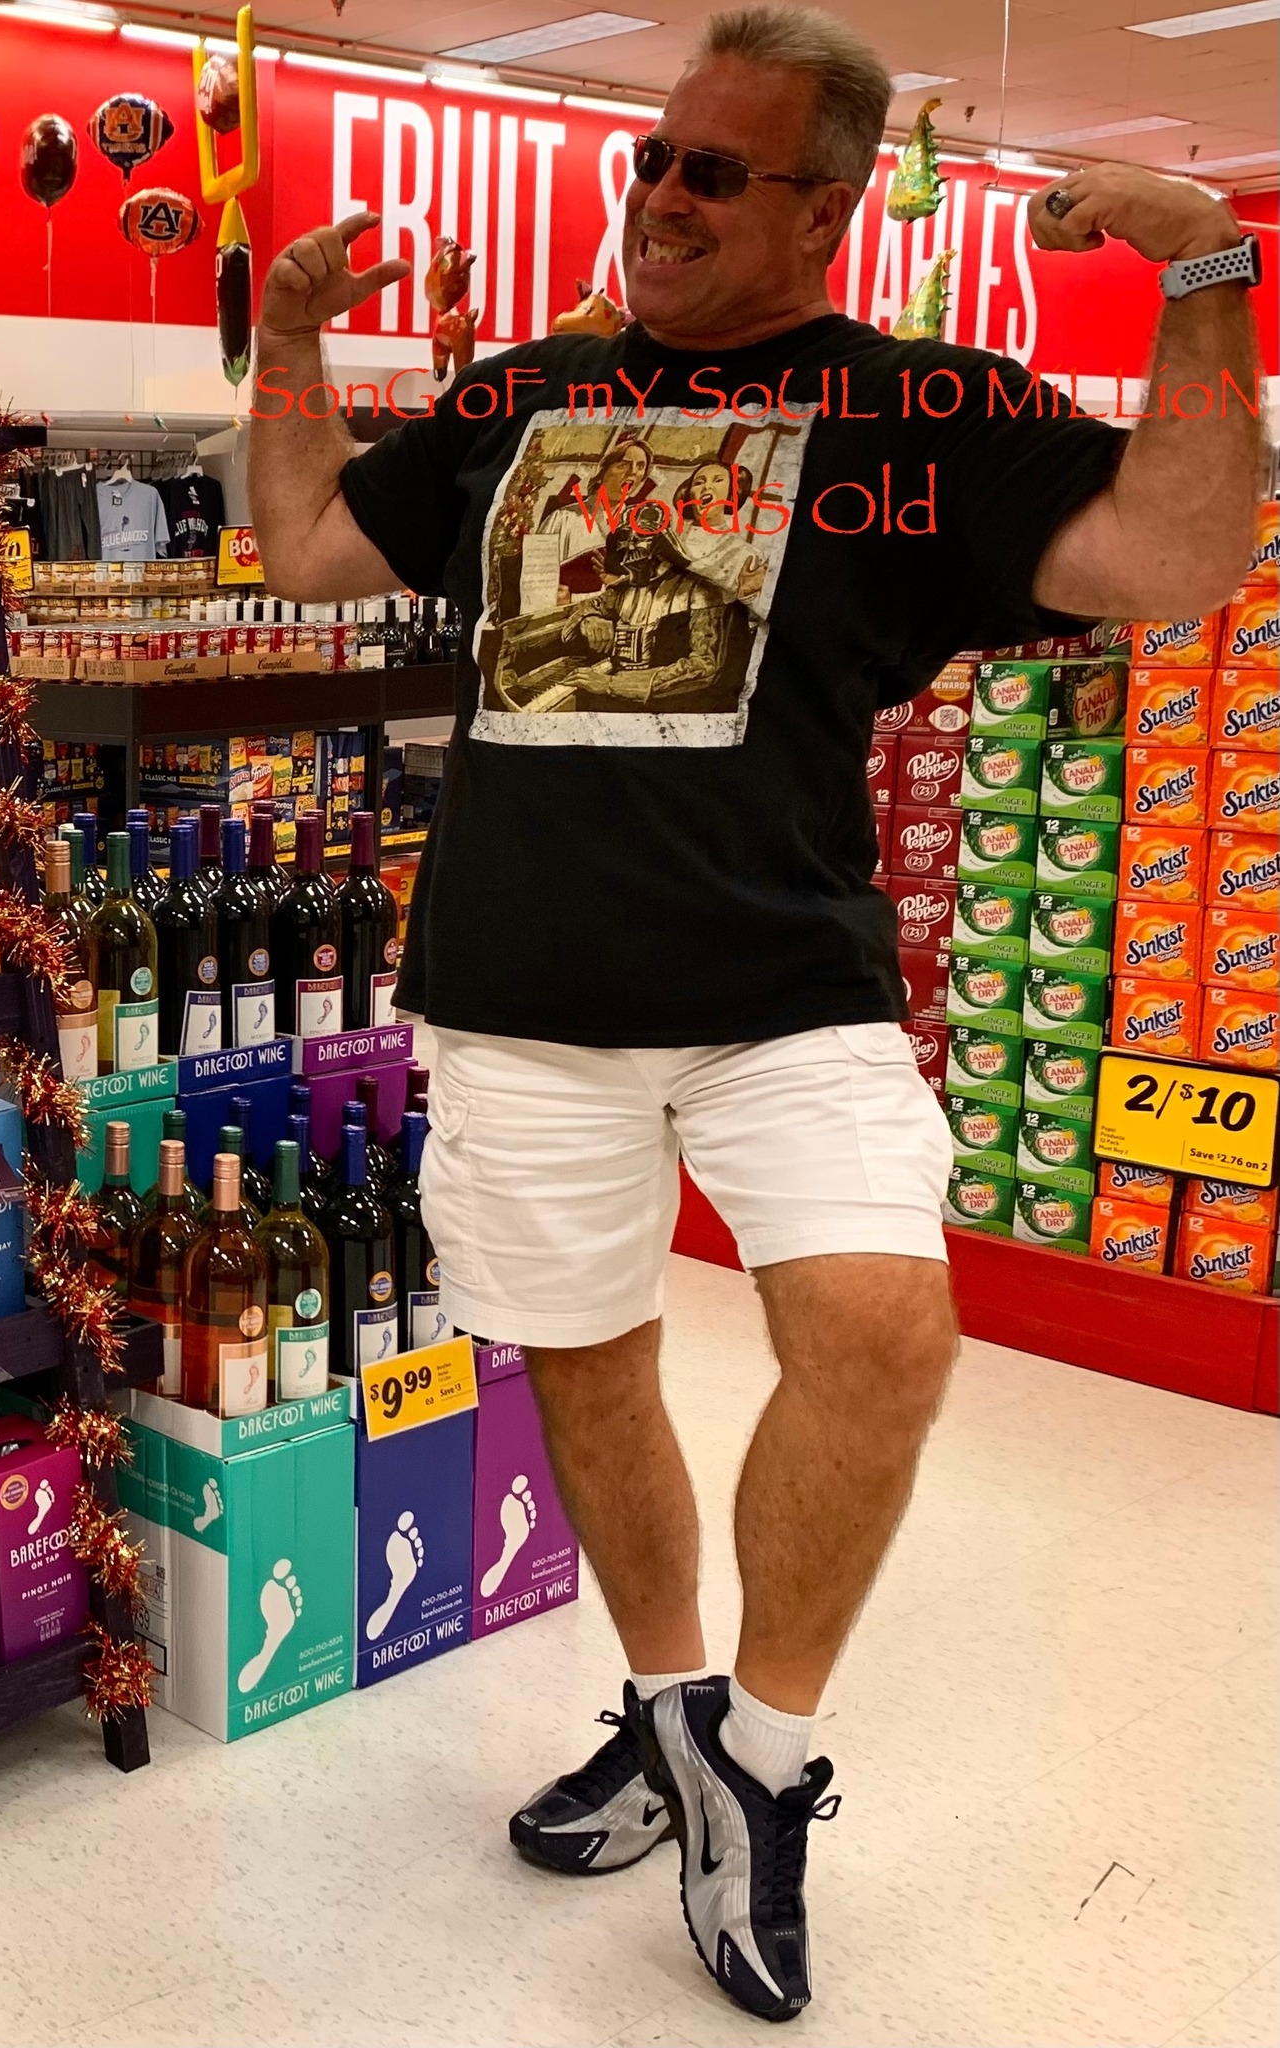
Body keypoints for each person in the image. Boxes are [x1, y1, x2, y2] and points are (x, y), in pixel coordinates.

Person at [248, 2, 1264, 2025]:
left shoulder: (917, 411)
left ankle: (759, 1765)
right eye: (654, 157)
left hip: (788, 983)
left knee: (883, 1333)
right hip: (522, 990)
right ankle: (662, 1717)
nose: (662, 196)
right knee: (594, 1369)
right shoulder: (528, 393)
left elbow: (1175, 553)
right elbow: (305, 540)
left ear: (826, 206)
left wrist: (1211, 277)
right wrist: (284, 341)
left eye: (715, 170)